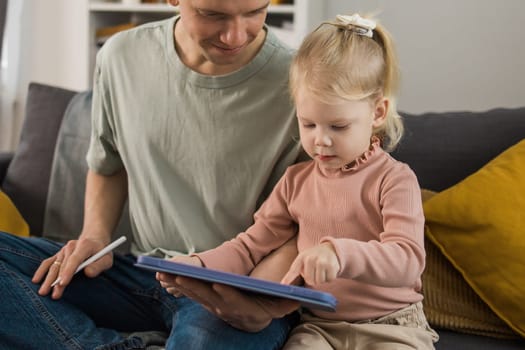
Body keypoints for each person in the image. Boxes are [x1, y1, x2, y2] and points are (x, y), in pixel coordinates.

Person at [0, 0, 305, 349]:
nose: (236, 34)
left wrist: (262, 302)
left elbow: (316, 214)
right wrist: (95, 237)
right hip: (140, 272)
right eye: (213, 14)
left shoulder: (301, 79)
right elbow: (108, 162)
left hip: (235, 287)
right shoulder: (121, 56)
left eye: (255, 11)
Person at [160, 13, 440, 349]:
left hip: (393, 324)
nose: (321, 141)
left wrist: (339, 254)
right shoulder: (296, 181)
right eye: (309, 124)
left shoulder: (394, 179)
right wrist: (199, 264)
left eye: (338, 127)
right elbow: (250, 246)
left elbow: (407, 260)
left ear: (377, 113)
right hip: (320, 326)